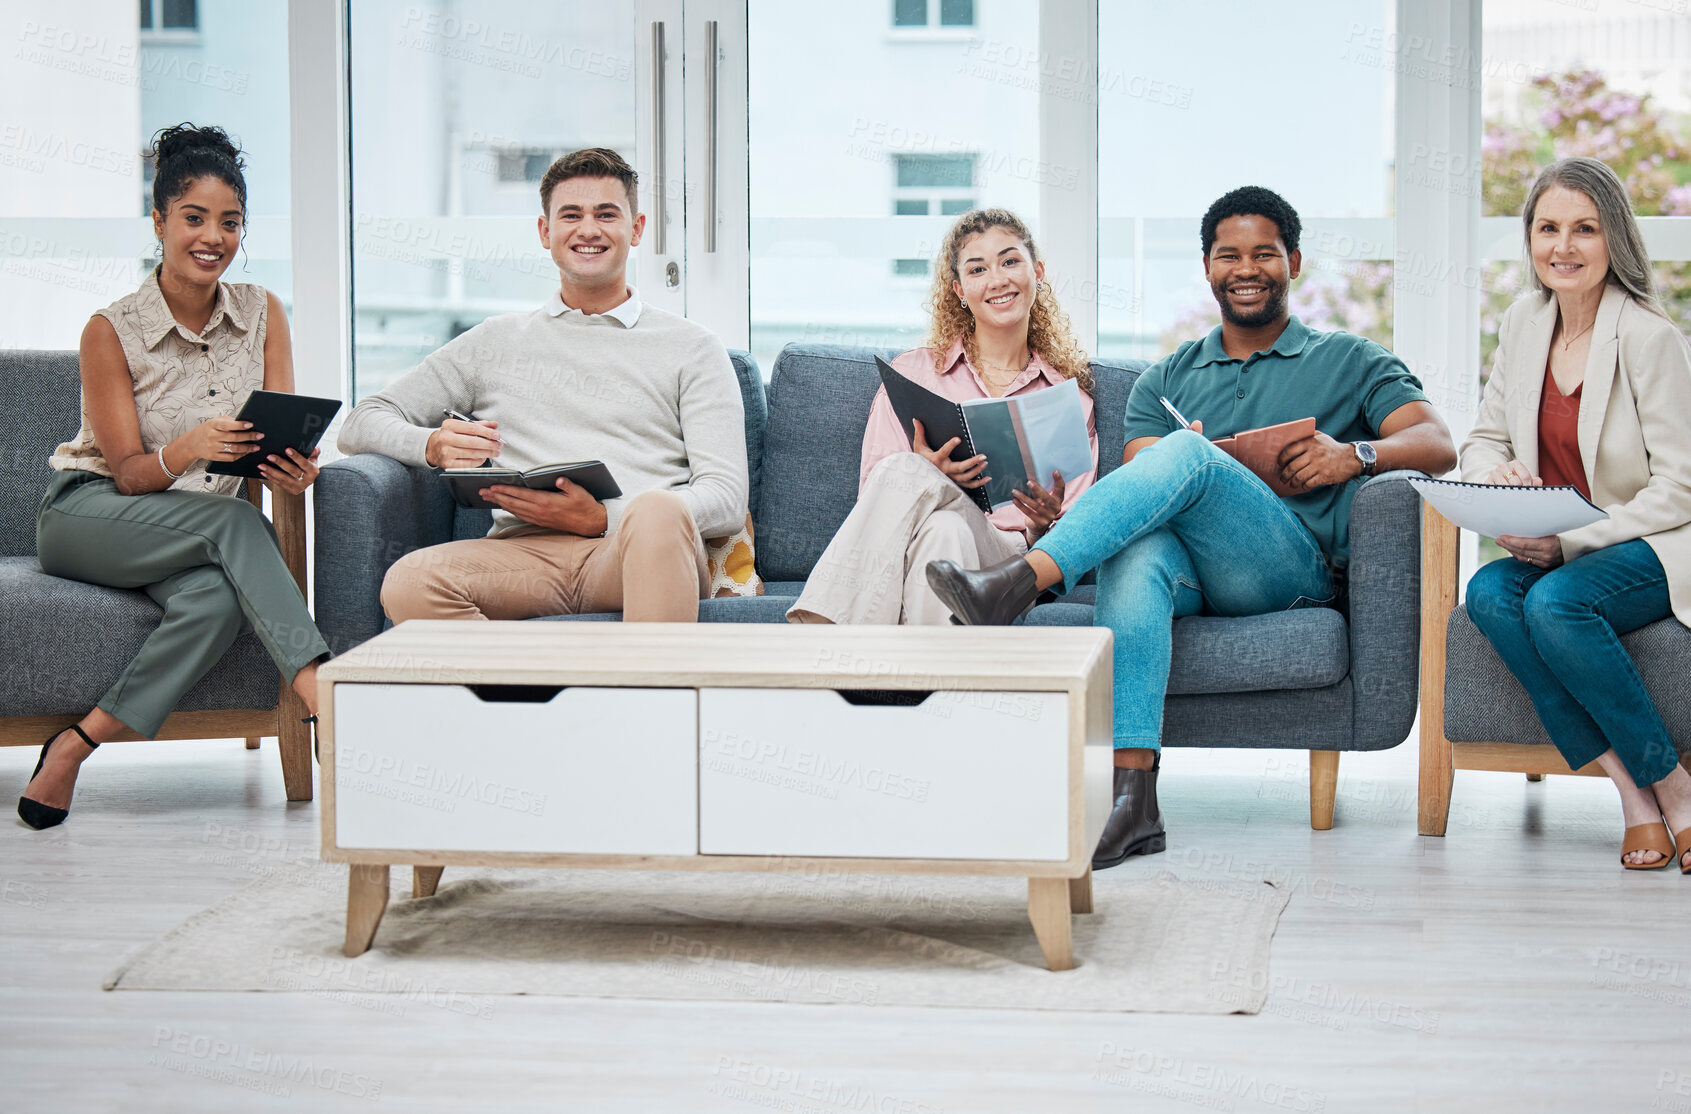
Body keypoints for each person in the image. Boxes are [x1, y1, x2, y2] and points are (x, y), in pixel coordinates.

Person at [926, 186, 1457, 869]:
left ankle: (1018, 584)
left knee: (1185, 455)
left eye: (1264, 253)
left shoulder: (1350, 359)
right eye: (1228, 255)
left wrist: (1351, 455)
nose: (1246, 267)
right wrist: (1198, 461)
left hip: (1291, 574)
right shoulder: (1166, 378)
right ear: (1207, 267)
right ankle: (1132, 799)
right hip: (1194, 575)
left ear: (1293, 261)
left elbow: (1438, 442)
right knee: (1137, 543)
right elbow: (1142, 477)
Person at [1459, 157, 1691, 872]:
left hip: (1663, 538)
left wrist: (1570, 539)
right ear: (1530, 239)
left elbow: (1683, 488)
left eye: (1584, 229)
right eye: (1547, 229)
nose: (1562, 247)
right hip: (1564, 538)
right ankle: (1634, 794)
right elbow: (1482, 438)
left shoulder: (1648, 337)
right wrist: (1497, 473)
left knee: (1557, 604)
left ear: (1615, 242)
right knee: (1488, 594)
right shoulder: (1524, 321)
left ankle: (1679, 788)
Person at [22, 124, 332, 830]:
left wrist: (293, 469)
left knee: (217, 600)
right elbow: (129, 475)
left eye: (230, 222)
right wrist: (190, 446)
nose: (213, 237)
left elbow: (277, 428)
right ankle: (322, 692)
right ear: (159, 222)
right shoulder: (111, 329)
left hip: (192, 536)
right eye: (193, 218)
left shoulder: (263, 313)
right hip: (87, 516)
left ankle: (74, 745)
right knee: (233, 521)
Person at [337, 148, 747, 623]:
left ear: (636, 230)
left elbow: (727, 497)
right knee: (411, 580)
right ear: (545, 232)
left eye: (606, 214)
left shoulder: (693, 347)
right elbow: (359, 423)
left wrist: (604, 518)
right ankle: (532, 686)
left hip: (637, 550)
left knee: (658, 511)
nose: (588, 230)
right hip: (521, 556)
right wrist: (430, 444)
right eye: (570, 215)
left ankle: (648, 697)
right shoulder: (494, 341)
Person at [786, 208, 1099, 626]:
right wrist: (931, 473)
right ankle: (927, 689)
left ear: (1037, 272)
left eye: (1010, 261)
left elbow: (1078, 534)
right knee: (943, 527)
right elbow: (874, 497)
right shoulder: (913, 373)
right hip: (923, 544)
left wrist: (1041, 527)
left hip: (1009, 563)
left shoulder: (1069, 397)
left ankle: (825, 639)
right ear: (958, 290)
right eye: (977, 269)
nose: (997, 279)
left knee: (911, 473)